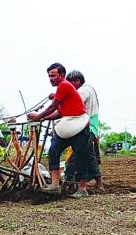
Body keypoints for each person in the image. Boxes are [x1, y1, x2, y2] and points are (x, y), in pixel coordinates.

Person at [27, 63, 89, 198]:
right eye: (49, 76)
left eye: (54, 75)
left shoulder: (64, 85)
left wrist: (38, 116)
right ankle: (55, 185)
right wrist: (42, 119)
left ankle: (82, 189)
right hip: (67, 124)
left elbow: (53, 106)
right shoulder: (63, 90)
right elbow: (60, 113)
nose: (51, 78)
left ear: (62, 75)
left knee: (80, 156)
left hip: (80, 124)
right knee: (53, 151)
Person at [64, 70, 104, 192]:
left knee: (76, 155)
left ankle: (69, 181)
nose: (69, 86)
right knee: (89, 155)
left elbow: (77, 100)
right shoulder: (86, 90)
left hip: (87, 127)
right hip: (88, 128)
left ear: (77, 81)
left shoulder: (84, 90)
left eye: (71, 83)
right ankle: (99, 183)